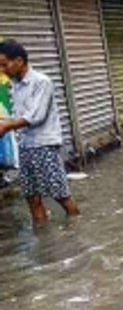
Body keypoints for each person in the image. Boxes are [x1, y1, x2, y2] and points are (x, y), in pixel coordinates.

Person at [0, 39, 80, 222]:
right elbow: (15, 114)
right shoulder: (13, 85)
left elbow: (36, 116)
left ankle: (77, 231)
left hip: (45, 145)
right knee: (32, 197)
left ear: (19, 61)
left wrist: (6, 126)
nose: (2, 70)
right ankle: (43, 237)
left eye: (5, 65)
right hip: (25, 146)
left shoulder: (42, 82)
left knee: (60, 194)